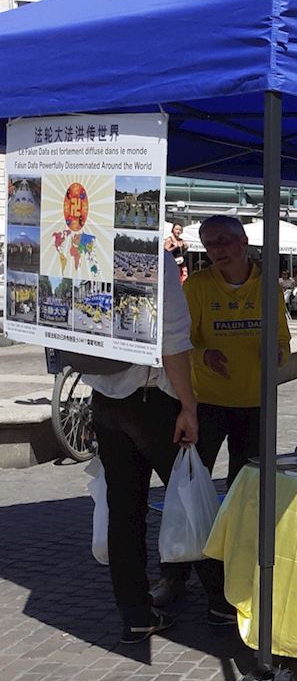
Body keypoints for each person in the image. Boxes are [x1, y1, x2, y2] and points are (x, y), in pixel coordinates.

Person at [89, 248, 215, 641]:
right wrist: (189, 406)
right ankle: (223, 602)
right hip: (151, 398)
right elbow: (173, 343)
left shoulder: (86, 254)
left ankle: (135, 613)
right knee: (191, 496)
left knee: (124, 512)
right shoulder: (151, 258)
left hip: (104, 399)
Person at [184, 215, 291, 489]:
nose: (217, 250)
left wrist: (278, 353)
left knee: (245, 484)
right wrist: (205, 356)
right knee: (192, 479)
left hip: (255, 401)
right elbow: (181, 342)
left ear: (243, 241)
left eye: (223, 241)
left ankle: (236, 519)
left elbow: (282, 338)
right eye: (209, 245)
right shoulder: (197, 285)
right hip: (206, 401)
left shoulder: (268, 286)